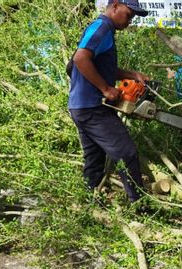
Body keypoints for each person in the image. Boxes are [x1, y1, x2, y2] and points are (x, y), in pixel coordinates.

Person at [68, 0, 148, 203]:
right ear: (115, 6)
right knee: (126, 153)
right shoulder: (102, 27)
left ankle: (89, 203)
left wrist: (131, 75)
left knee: (94, 158)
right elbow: (79, 59)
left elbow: (92, 66)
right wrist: (105, 88)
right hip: (93, 107)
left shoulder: (101, 29)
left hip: (81, 105)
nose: (129, 21)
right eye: (128, 15)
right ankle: (138, 204)